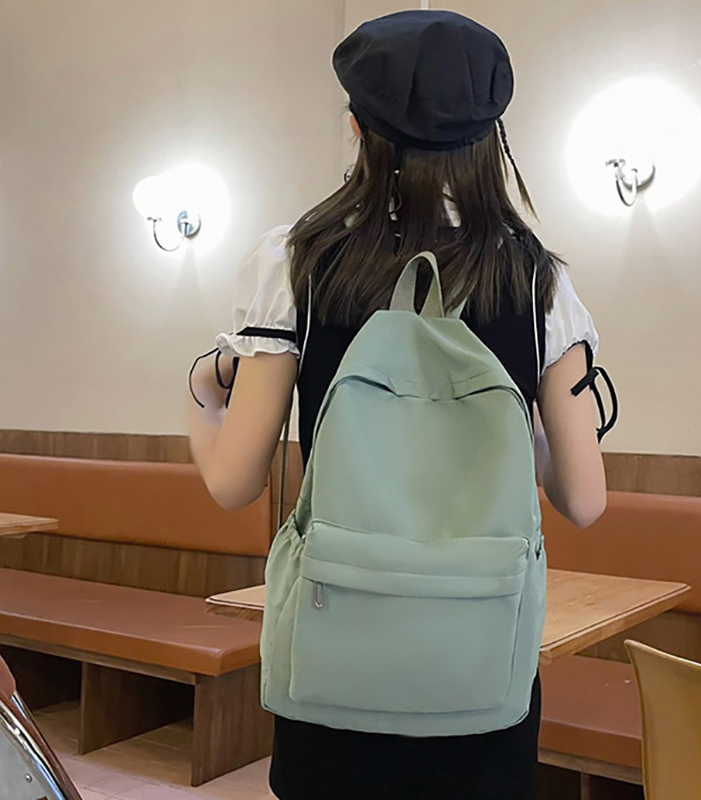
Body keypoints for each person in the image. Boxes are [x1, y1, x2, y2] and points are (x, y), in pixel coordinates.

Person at [188, 10, 613, 800]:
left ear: (358, 126)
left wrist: (202, 391)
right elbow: (583, 499)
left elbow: (232, 482)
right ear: (492, 137)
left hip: (337, 661)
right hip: (480, 674)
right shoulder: (538, 280)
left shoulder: (295, 260)